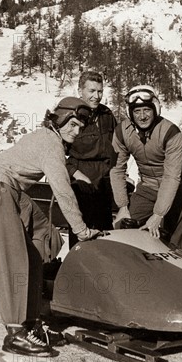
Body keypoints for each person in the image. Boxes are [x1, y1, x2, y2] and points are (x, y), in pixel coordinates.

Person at [0, 97, 102, 358]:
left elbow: (48, 163)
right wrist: (82, 230)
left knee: (34, 253)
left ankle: (31, 322)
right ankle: (16, 334)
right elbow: (63, 192)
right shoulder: (51, 144)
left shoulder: (47, 138)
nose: (76, 132)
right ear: (60, 118)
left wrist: (75, 173)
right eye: (73, 124)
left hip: (8, 189)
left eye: (80, 127)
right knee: (13, 258)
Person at [110, 85, 182, 250]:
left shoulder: (170, 132)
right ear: (130, 113)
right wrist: (122, 206)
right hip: (148, 185)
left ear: (155, 109)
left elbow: (171, 177)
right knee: (126, 225)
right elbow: (117, 169)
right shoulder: (122, 132)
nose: (142, 116)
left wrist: (158, 214)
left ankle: (171, 270)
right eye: (137, 111)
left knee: (172, 240)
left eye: (146, 110)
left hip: (176, 186)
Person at [66, 71, 117, 248]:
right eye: (92, 91)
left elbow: (117, 147)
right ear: (80, 90)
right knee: (81, 234)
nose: (96, 96)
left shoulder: (106, 115)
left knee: (105, 233)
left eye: (100, 91)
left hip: (105, 182)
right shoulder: (70, 115)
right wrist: (75, 173)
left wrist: (118, 172)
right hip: (81, 182)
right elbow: (54, 153)